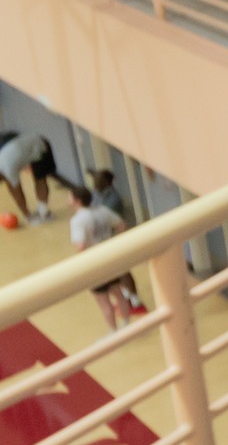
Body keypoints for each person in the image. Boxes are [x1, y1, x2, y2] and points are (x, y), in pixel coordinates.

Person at [67, 183, 144, 329]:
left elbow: (81, 246)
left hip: (94, 264)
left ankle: (113, 331)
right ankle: (126, 325)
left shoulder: (77, 220)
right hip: (109, 258)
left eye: (69, 197)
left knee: (103, 300)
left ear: (77, 200)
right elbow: (121, 225)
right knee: (118, 293)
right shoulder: (102, 211)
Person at [0, 130, 61, 221]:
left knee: (40, 178)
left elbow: (18, 192)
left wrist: (27, 216)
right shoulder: (3, 167)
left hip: (40, 146)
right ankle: (34, 213)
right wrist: (26, 214)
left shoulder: (7, 168)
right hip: (27, 148)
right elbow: (11, 188)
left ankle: (43, 212)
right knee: (12, 183)